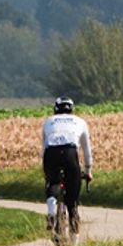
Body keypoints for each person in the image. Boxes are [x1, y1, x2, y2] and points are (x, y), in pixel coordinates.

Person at [41, 96, 92, 232]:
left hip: (51, 153)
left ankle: (51, 211)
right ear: (72, 109)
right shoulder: (80, 121)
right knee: (72, 201)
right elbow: (87, 150)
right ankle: (74, 243)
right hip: (70, 153)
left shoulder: (48, 121)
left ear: (55, 109)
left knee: (52, 182)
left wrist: (47, 172)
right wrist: (88, 171)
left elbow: (43, 148)